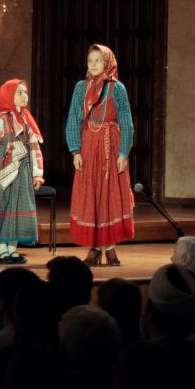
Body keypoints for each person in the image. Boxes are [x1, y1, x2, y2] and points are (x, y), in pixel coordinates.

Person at [66, 43, 134, 265]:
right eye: (90, 61)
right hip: (88, 146)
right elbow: (73, 119)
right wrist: (75, 151)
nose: (93, 64)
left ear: (107, 62)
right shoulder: (81, 88)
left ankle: (110, 247)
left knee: (109, 194)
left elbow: (126, 122)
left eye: (98, 60)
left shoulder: (117, 88)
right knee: (91, 194)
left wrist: (123, 153)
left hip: (110, 146)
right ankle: (94, 249)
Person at [0, 79, 44, 264]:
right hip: (3, 172)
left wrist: (37, 173)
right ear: (8, 95)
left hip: (22, 172)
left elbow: (34, 148)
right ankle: (3, 250)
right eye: (19, 92)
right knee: (4, 207)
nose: (24, 96)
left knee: (18, 208)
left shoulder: (26, 119)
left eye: (25, 92)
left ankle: (12, 249)